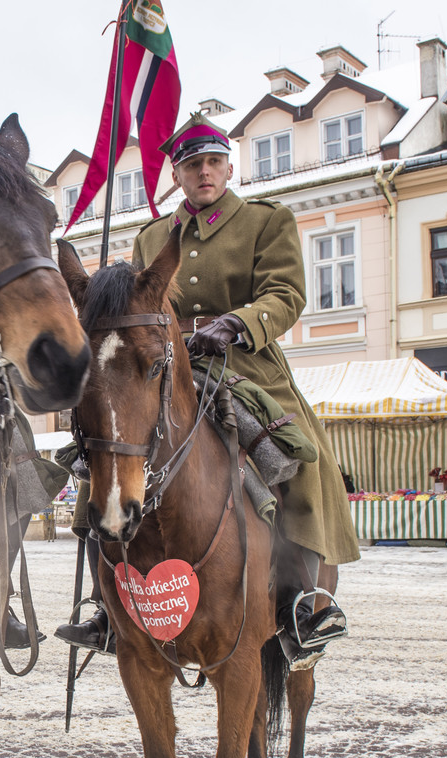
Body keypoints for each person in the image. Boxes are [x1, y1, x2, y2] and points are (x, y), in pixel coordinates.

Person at [57, 112, 359, 670]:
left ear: (228, 167)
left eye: (214, 162)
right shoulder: (152, 236)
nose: (204, 172)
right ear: (177, 173)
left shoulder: (266, 222)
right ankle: (106, 602)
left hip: (245, 362)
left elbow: (287, 293)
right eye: (193, 164)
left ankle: (307, 598)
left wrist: (238, 323)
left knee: (301, 453)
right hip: (162, 362)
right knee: (109, 443)